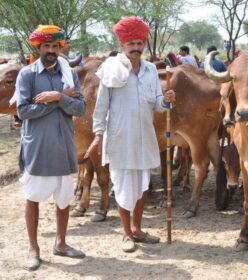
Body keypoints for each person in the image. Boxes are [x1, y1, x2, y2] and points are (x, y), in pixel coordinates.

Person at [85, 16, 176, 253]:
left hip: (145, 138)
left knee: (143, 185)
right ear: (123, 45)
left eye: (139, 43)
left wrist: (166, 101)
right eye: (131, 44)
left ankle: (137, 228)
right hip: (120, 139)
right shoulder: (111, 71)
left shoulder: (150, 71)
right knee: (124, 186)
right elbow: (101, 107)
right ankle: (126, 235)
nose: (136, 48)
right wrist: (98, 135)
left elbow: (157, 104)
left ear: (143, 44)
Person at [15, 24, 87, 271]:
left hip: (65, 145)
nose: (51, 50)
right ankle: (34, 249)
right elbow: (23, 111)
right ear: (38, 47)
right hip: (39, 147)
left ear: (60, 48)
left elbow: (81, 108)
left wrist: (56, 96)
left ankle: (61, 243)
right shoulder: (27, 75)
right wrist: (60, 99)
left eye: (55, 46)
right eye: (46, 45)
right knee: (33, 197)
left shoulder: (69, 75)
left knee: (64, 198)